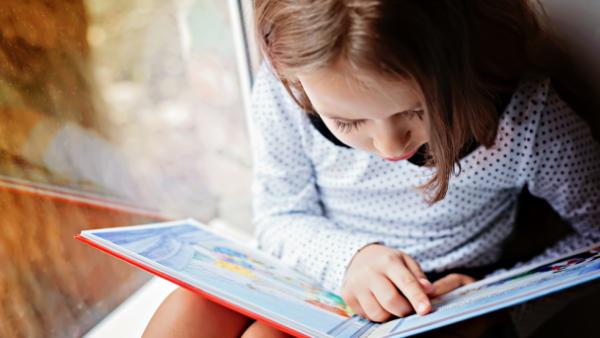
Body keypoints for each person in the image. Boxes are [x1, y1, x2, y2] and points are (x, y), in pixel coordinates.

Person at [143, 0, 600, 337]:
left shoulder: (528, 121)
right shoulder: (285, 93)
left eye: (417, 112)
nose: (388, 145)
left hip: (442, 301)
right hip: (323, 272)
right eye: (349, 121)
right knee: (190, 310)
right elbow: (279, 217)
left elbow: (595, 240)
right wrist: (351, 259)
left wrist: (492, 300)